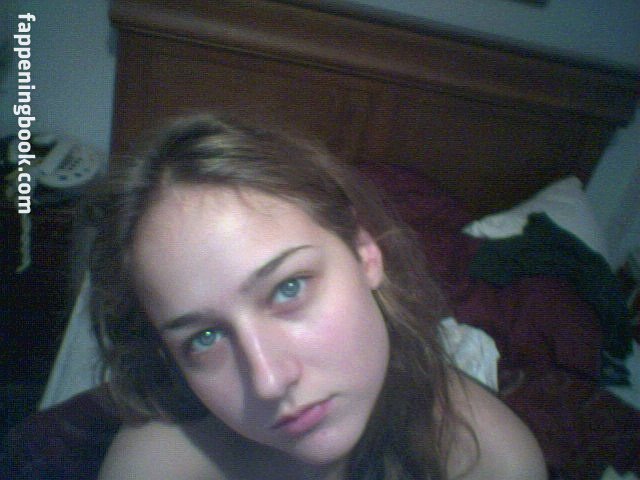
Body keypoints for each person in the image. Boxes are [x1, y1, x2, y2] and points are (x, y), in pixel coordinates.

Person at [91, 114, 547, 480]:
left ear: (365, 252)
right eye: (204, 337)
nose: (269, 382)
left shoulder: (491, 461)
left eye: (288, 288)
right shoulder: (155, 466)